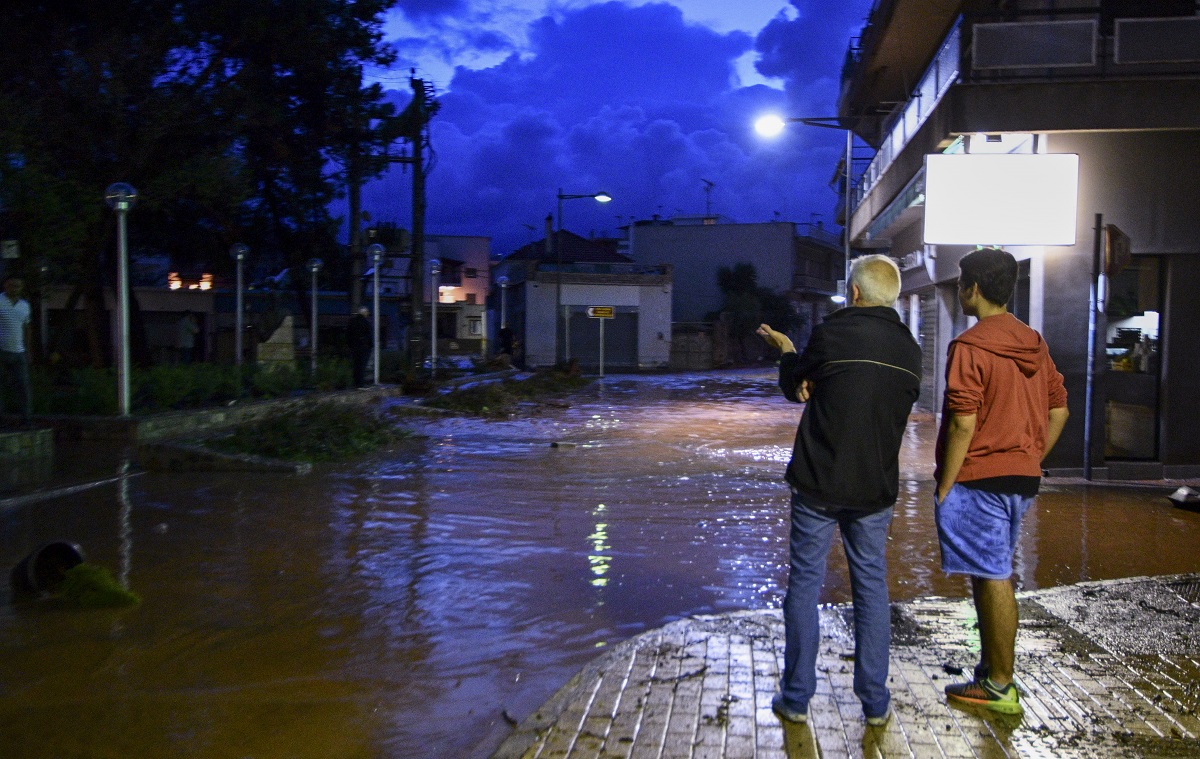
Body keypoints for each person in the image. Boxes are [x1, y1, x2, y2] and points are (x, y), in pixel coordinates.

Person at [757, 254, 921, 728]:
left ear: (853, 293)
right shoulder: (911, 350)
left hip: (818, 481)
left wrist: (788, 353)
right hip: (874, 487)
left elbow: (796, 387)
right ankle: (875, 703)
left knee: (804, 585)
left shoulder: (831, 334)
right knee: (871, 588)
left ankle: (795, 698)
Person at [935, 247, 1069, 715]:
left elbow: (961, 423)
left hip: (980, 478)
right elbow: (1059, 409)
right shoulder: (1033, 341)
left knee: (993, 575)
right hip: (1020, 478)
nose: (958, 290)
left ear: (973, 288)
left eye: (959, 283)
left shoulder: (970, 346)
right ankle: (990, 667)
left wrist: (945, 484)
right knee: (989, 569)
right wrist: (1031, 456)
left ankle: (1000, 684)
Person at [0, 275, 32, 425]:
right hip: (1, 351)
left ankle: (26, 419)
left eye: (18, 285)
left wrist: (27, 350)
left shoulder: (24, 305)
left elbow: (27, 328)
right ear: (5, 285)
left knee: (23, 387)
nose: (15, 288)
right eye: (12, 285)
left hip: (19, 353)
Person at [348, 306, 372, 387]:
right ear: (364, 313)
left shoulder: (352, 321)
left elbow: (348, 334)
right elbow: (369, 335)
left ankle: (355, 382)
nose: (368, 314)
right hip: (363, 347)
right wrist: (370, 345)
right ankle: (360, 383)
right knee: (362, 365)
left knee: (356, 365)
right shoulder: (365, 322)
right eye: (367, 313)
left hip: (354, 346)